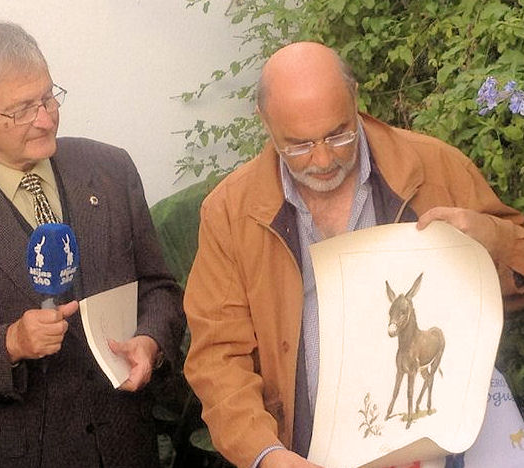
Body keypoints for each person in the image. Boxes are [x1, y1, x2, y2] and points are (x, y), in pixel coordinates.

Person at [183, 42, 524, 468]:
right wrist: (266, 453)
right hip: (307, 454)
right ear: (264, 122)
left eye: (339, 134)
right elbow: (218, 357)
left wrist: (495, 237)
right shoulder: (230, 213)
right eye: (299, 145)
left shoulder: (434, 167)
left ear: (355, 98)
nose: (323, 158)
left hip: (446, 446)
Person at [0, 21, 185, 468]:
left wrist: (151, 341)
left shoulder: (110, 168)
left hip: (126, 445)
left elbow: (159, 288)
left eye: (48, 97)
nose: (45, 119)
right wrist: (9, 343)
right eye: (21, 109)